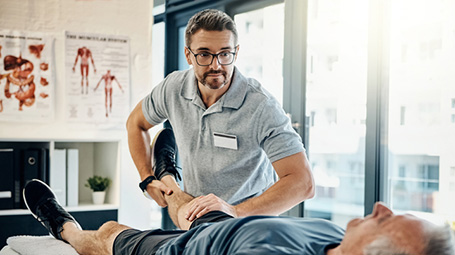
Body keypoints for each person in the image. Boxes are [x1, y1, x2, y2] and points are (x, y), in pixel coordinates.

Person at [126, 8, 314, 224]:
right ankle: (164, 175)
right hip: (194, 215)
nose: (216, 65)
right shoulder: (173, 88)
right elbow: (135, 123)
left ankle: (166, 173)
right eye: (204, 54)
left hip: (246, 222)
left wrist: (234, 211)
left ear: (236, 52)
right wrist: (146, 177)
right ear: (188, 54)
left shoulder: (261, 105)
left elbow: (303, 183)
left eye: (225, 54)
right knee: (175, 202)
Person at [23, 176, 455, 255]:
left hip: (185, 248)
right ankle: (167, 175)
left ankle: (63, 226)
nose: (380, 206)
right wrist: (228, 211)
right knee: (190, 200)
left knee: (112, 231)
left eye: (386, 219)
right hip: (227, 225)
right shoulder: (338, 236)